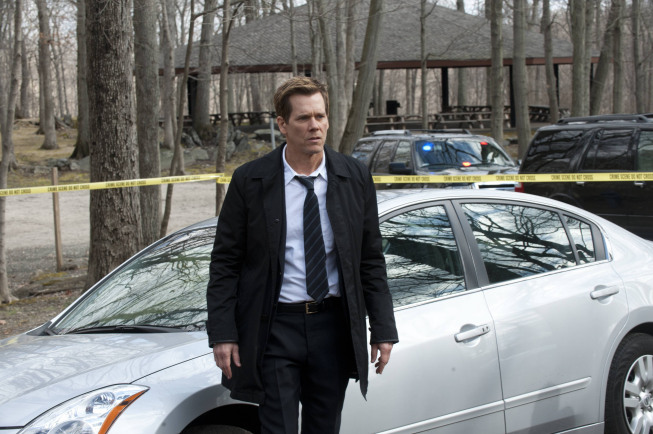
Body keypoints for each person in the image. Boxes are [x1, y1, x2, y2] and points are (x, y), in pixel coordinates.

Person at [206, 76, 398, 433]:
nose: (315, 126)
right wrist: (223, 333)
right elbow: (225, 263)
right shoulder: (250, 181)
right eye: (303, 118)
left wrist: (383, 328)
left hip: (333, 326)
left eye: (320, 116)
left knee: (324, 427)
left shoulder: (353, 177)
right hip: (275, 328)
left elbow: (370, 259)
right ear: (282, 124)